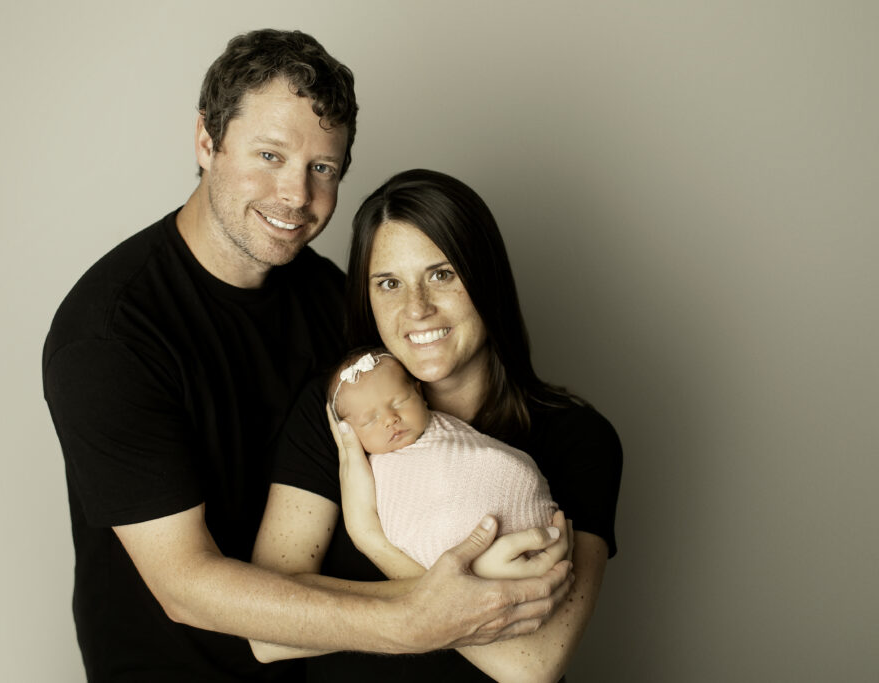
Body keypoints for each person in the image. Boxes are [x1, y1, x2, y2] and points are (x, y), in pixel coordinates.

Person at [43, 30, 573, 682]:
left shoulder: (329, 298)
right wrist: (420, 612)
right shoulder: (111, 335)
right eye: (270, 155)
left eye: (322, 167)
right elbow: (184, 582)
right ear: (207, 142)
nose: (296, 195)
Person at [255, 169, 623, 682]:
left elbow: (532, 663)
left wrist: (375, 543)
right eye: (389, 284)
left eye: (442, 274)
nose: (417, 309)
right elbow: (267, 634)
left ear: (486, 278)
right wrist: (466, 591)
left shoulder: (579, 439)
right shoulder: (341, 411)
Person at [328, 347, 558, 569]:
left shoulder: (444, 428)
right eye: (370, 420)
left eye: (399, 402)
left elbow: (492, 462)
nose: (390, 419)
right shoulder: (370, 472)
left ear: (420, 393)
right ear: (349, 432)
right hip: (461, 560)